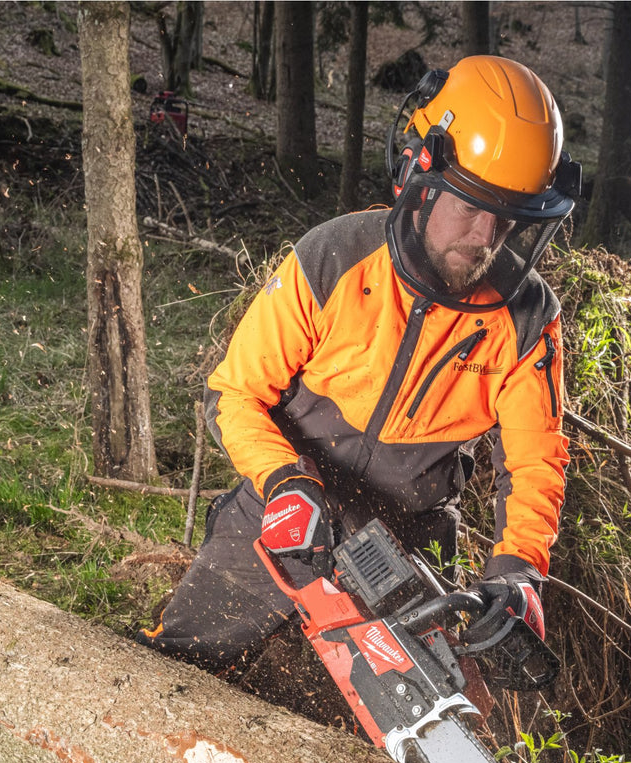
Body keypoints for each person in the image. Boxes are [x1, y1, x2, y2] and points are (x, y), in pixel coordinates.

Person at [139, 55, 581, 676]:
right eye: (470, 207)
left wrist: (519, 572)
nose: (485, 236)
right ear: (420, 173)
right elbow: (235, 394)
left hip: (410, 529)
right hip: (294, 498)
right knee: (179, 663)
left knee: (412, 719)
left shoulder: (528, 317)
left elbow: (536, 461)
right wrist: (282, 483)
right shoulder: (334, 257)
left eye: (507, 217)